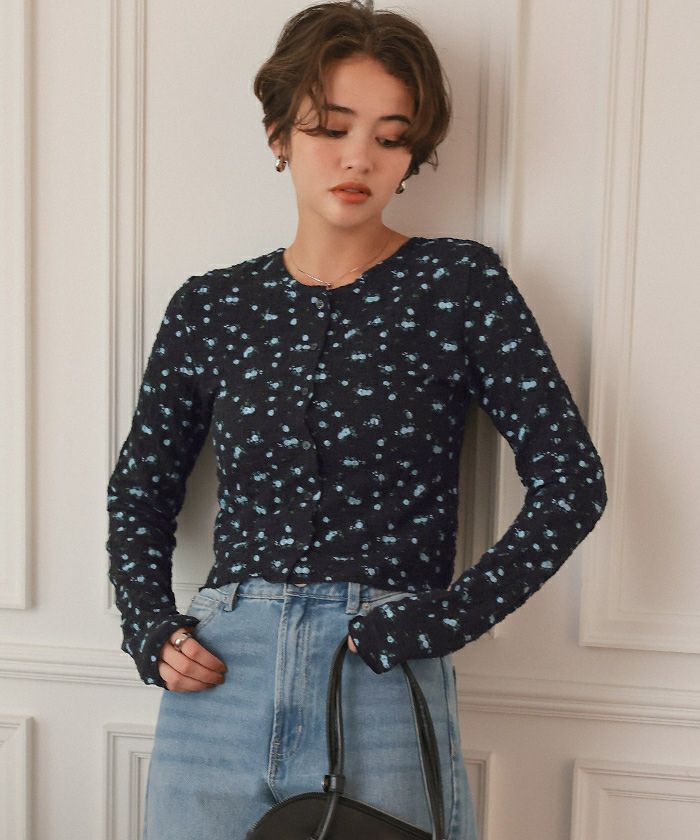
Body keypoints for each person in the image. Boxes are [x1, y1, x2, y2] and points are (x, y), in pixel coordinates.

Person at [105, 2, 608, 838]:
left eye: (390, 136)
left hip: (380, 674)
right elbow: (141, 491)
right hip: (219, 676)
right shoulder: (212, 307)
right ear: (279, 134)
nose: (358, 158)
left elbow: (572, 482)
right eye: (331, 128)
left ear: (412, 154)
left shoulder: (459, 286)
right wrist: (149, 626)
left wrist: (441, 620)